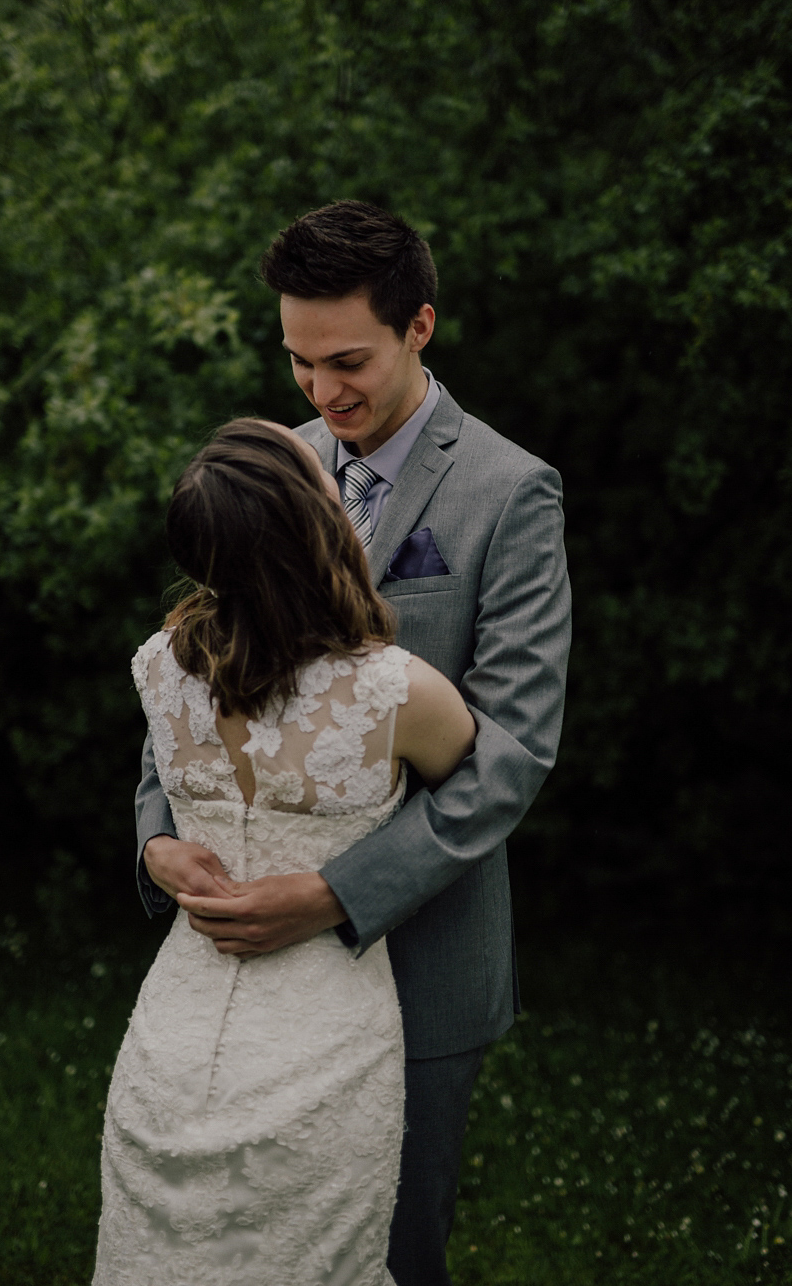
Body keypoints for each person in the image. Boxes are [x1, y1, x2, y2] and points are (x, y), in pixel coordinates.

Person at [137, 201, 572, 1285]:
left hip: (419, 958)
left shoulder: (509, 492)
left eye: (348, 362)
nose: (323, 395)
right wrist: (156, 835)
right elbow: (195, 664)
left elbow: (510, 749)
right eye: (297, 361)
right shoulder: (273, 467)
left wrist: (337, 891)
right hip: (238, 979)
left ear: (419, 326)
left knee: (384, 1252)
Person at [95, 418, 477, 1286]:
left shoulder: (158, 667)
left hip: (174, 1036)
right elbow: (470, 776)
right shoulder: (398, 691)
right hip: (325, 1036)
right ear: (318, 523)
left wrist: (160, 840)